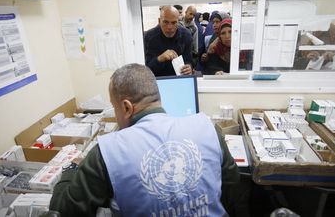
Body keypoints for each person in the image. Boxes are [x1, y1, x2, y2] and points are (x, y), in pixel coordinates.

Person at [49, 63, 246, 216]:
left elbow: (63, 211)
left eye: (114, 107)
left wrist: (71, 169)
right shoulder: (208, 128)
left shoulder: (106, 152)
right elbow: (232, 187)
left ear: (126, 107)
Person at [144, 6, 193, 76]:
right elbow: (147, 69)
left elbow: (189, 60)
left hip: (179, 79)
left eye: (173, 23)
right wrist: (160, 59)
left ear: (178, 22)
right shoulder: (149, 37)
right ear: (159, 21)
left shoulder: (186, 35)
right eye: (165, 22)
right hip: (157, 80)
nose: (169, 27)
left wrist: (189, 67)